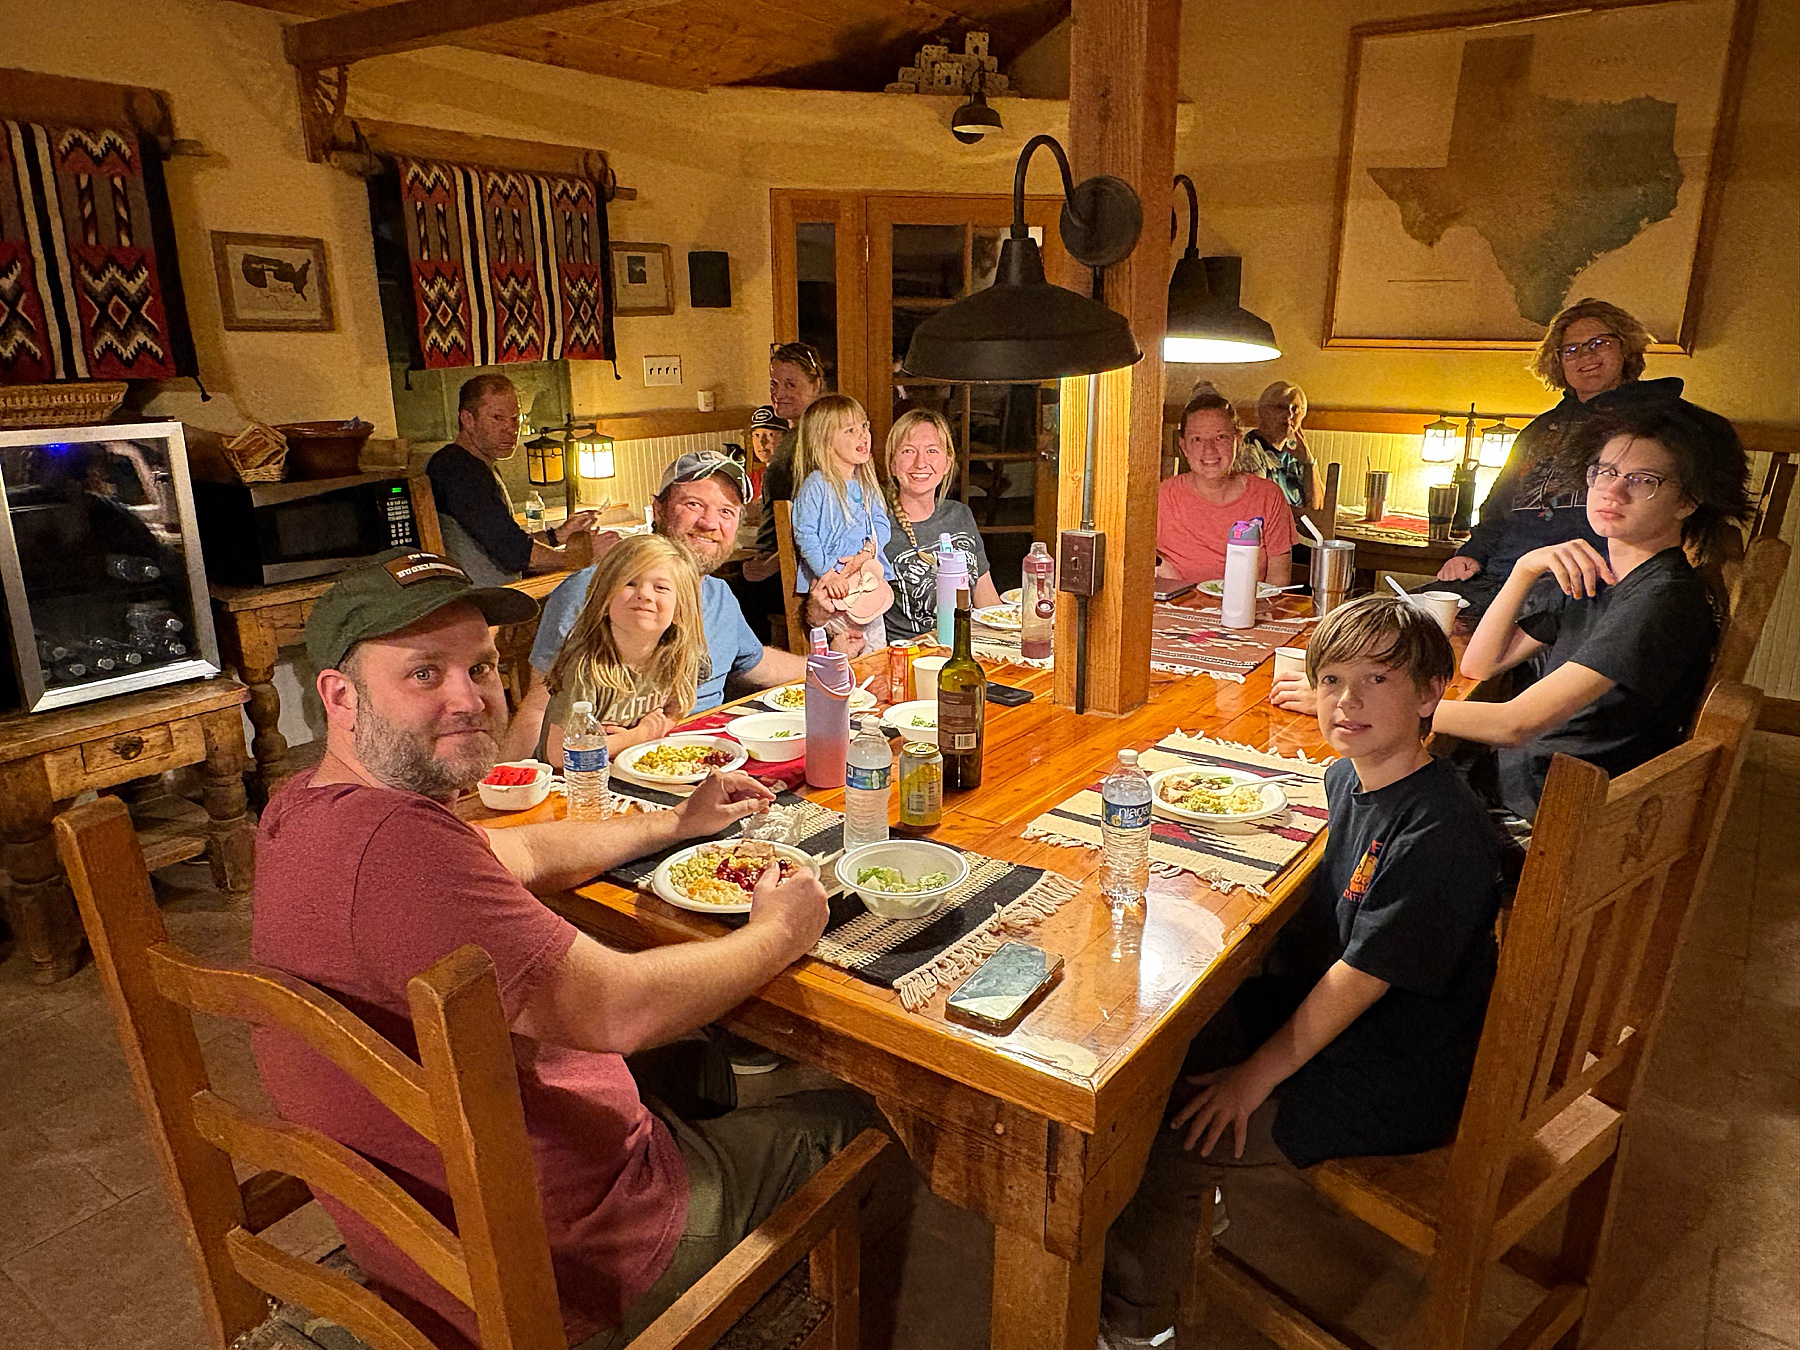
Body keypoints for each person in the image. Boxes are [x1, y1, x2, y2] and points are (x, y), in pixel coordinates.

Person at [251, 548, 876, 1349]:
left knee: (696, 1064)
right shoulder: (402, 851)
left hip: (446, 1227)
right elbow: (620, 1009)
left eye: (480, 668)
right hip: (571, 1265)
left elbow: (518, 851)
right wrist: (781, 932)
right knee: (852, 1115)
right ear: (339, 696)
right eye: (423, 673)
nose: (469, 699)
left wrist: (671, 822)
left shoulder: (310, 807)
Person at [1102, 596, 1500, 1346]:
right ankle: (1185, 1216)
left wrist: (1252, 1078)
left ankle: (1135, 1324)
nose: (1348, 701)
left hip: (1397, 1072)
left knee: (1172, 1128)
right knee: (1164, 1044)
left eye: (1377, 679)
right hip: (1357, 1026)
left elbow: (1359, 980)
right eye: (1332, 680)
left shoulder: (1439, 833)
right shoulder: (1349, 779)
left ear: (1429, 694)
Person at [1426, 405, 1752, 821]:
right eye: (1605, 472)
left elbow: (1514, 724)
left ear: (1687, 501)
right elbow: (1481, 665)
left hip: (1553, 813)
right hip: (1516, 782)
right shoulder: (1600, 575)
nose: (1613, 491)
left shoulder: (1663, 598)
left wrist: (1380, 709)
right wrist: (1525, 569)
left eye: (1643, 480)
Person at [519, 453, 806, 749]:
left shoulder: (719, 595)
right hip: (613, 762)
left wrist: (826, 665)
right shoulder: (593, 589)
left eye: (726, 511)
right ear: (658, 509)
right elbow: (538, 709)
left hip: (710, 754)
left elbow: (757, 662)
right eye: (693, 504)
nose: (709, 523)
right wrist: (509, 775)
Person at [1430, 298, 1685, 619]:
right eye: (1571, 350)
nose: (1586, 356)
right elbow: (1497, 511)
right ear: (1558, 362)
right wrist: (1471, 555)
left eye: (1599, 343)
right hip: (1500, 578)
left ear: (1626, 349)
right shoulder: (1539, 431)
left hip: (1587, 589)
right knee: (1400, 618)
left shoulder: (1658, 425)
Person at [513, 534, 707, 767]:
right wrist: (639, 736)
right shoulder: (586, 667)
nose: (644, 594)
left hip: (633, 770)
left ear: (680, 609)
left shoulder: (678, 655)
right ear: (604, 598)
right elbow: (560, 754)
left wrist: (648, 732)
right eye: (630, 583)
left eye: (661, 587)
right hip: (572, 781)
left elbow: (675, 711)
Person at [426, 374, 596, 586]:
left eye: (515, 419)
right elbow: (516, 553)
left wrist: (558, 536)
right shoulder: (458, 470)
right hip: (482, 599)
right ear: (468, 420)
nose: (511, 429)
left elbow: (508, 540)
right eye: (497, 418)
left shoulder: (475, 464)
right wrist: (584, 560)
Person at [1155, 383, 1295, 586]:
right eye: (1197, 439)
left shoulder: (1269, 496)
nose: (1209, 450)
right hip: (1178, 604)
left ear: (1238, 440)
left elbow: (1279, 580)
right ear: (1183, 447)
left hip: (1251, 606)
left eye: (1220, 437)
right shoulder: (1162, 497)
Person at [882, 408, 1002, 642]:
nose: (920, 462)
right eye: (908, 451)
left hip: (968, 647)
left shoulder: (960, 515)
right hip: (913, 654)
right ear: (893, 463)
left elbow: (986, 599)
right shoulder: (879, 528)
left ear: (947, 463)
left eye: (932, 451)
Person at [736, 344, 829, 641]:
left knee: (719, 596)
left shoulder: (811, 443)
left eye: (791, 384)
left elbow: (818, 525)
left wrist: (770, 565)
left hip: (791, 575)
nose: (780, 393)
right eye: (775, 384)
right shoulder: (793, 438)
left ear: (816, 385)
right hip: (776, 562)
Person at [790, 394, 895, 653]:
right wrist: (828, 573)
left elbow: (881, 524)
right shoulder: (817, 485)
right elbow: (805, 534)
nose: (863, 435)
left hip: (865, 579)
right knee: (849, 646)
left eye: (864, 426)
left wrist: (868, 552)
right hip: (834, 588)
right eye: (850, 430)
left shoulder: (866, 484)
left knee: (876, 647)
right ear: (826, 443)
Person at [1242, 380, 1315, 509]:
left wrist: (1309, 463)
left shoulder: (1296, 453)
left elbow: (1319, 508)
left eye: (1295, 408)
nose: (1289, 414)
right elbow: (1258, 507)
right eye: (1280, 407)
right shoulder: (1250, 450)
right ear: (1263, 412)